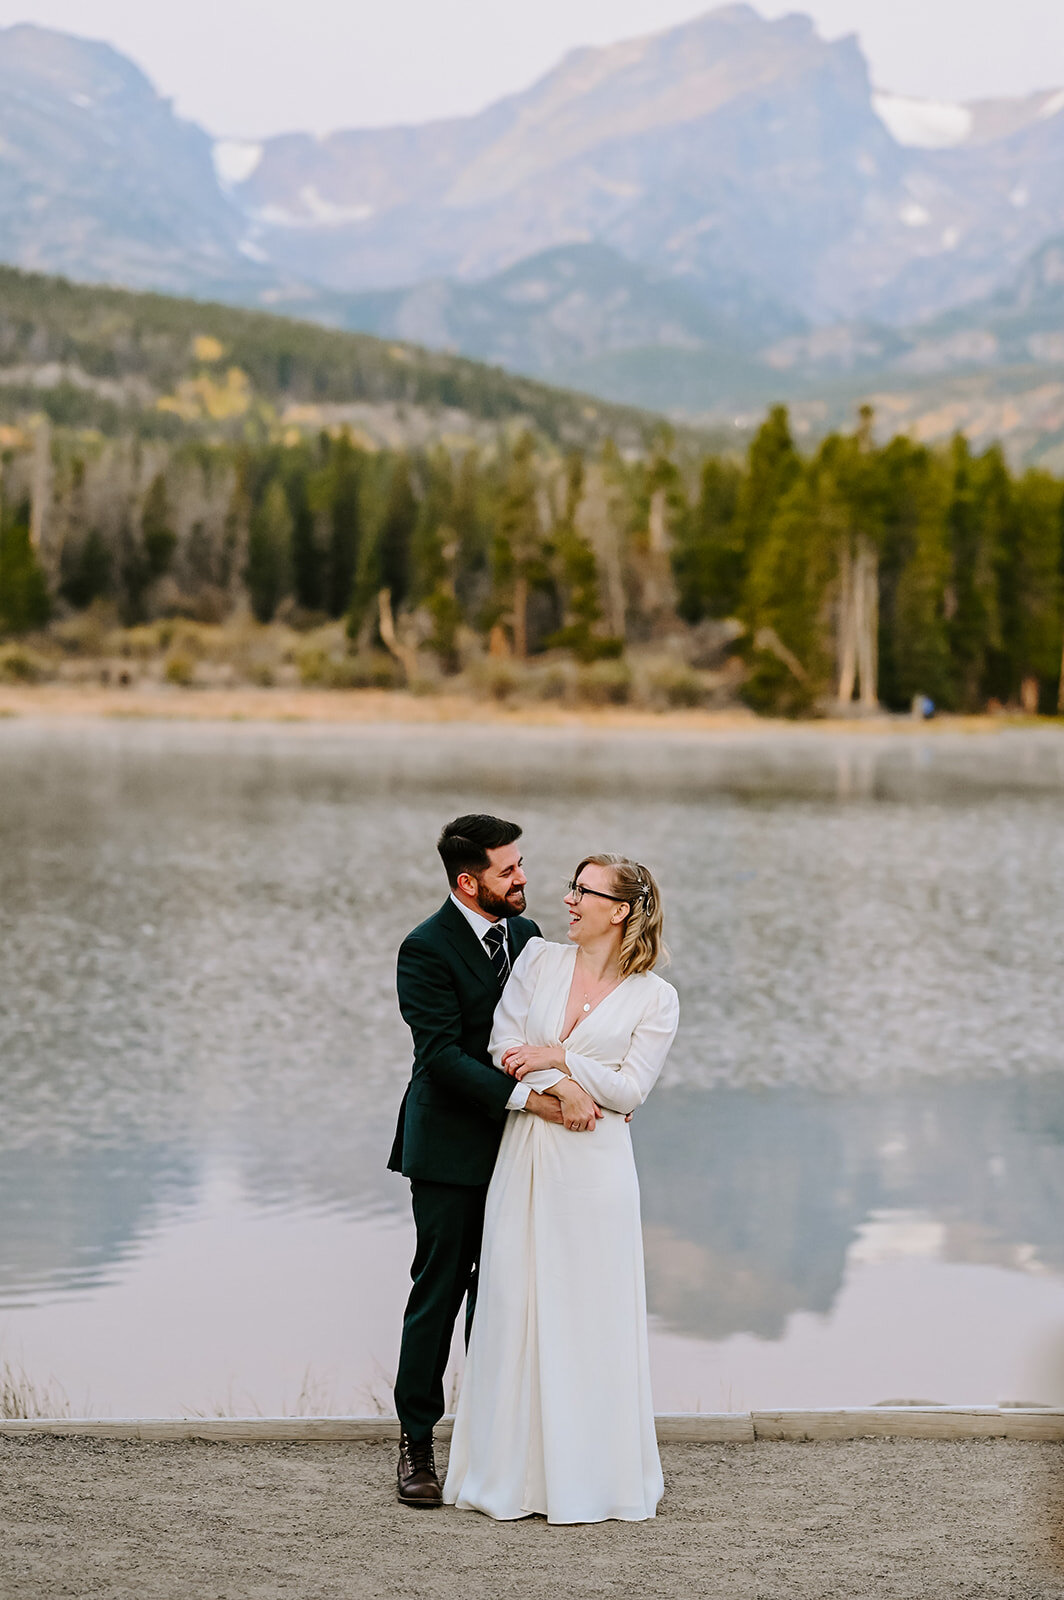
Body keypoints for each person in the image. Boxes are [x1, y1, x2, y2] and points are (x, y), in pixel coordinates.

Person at [443, 853, 679, 1524]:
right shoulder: (539, 959)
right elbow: (503, 1047)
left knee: (589, 1316)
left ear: (621, 910)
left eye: (586, 891)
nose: (569, 899)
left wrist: (560, 1056)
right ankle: (509, 1479)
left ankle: (593, 1481)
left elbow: (632, 1089)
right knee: (517, 1305)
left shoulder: (655, 998)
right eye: (572, 888)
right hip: (530, 1156)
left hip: (598, 1170)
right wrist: (570, 1085)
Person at [388, 815, 600, 1508]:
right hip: (449, 1148)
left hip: (519, 1152)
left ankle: (500, 1446)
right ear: (467, 880)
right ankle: (416, 1445)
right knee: (439, 1293)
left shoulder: (529, 937)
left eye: (520, 864)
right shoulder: (424, 949)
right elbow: (442, 1059)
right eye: (509, 870)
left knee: (508, 1296)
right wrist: (531, 1101)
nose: (524, 879)